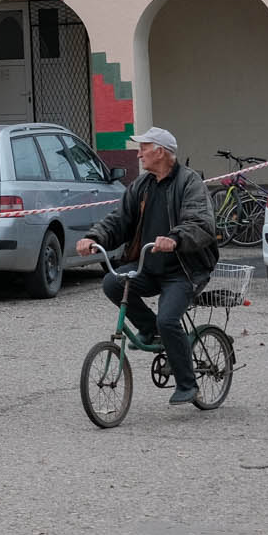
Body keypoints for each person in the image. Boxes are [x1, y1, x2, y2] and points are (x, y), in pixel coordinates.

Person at [76, 126, 218, 406]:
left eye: (144, 148)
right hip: (149, 268)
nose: (139, 154)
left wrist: (176, 239)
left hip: (184, 270)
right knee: (113, 283)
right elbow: (119, 220)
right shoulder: (142, 186)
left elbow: (201, 224)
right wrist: (94, 238)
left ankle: (188, 385)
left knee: (168, 320)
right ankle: (150, 328)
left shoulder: (189, 183)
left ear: (160, 152)